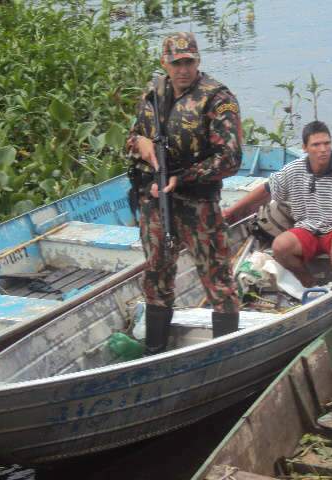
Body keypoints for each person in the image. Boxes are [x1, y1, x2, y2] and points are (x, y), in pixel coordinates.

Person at [126, 32, 242, 352]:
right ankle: (155, 352)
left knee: (217, 281)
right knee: (156, 274)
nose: (183, 69)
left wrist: (185, 176)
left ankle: (225, 356)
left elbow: (231, 159)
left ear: (198, 61)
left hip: (199, 204)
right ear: (165, 62)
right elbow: (132, 139)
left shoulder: (217, 98)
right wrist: (141, 144)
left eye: (188, 61)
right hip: (156, 200)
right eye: (176, 63)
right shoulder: (153, 94)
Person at [223, 121, 332, 288]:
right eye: (316, 145)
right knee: (280, 246)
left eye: (327, 143)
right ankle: (309, 284)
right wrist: (231, 211)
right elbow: (266, 189)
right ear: (305, 148)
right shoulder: (294, 168)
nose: (323, 149)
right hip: (308, 229)